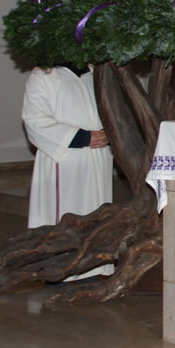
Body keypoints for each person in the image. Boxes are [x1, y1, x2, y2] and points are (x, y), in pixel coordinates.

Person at [22, 63, 114, 280]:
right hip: (66, 159)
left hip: (98, 157)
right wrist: (83, 137)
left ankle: (94, 267)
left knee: (98, 211)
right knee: (66, 215)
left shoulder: (95, 73)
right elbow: (35, 120)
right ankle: (60, 271)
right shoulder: (44, 75)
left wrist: (110, 132)